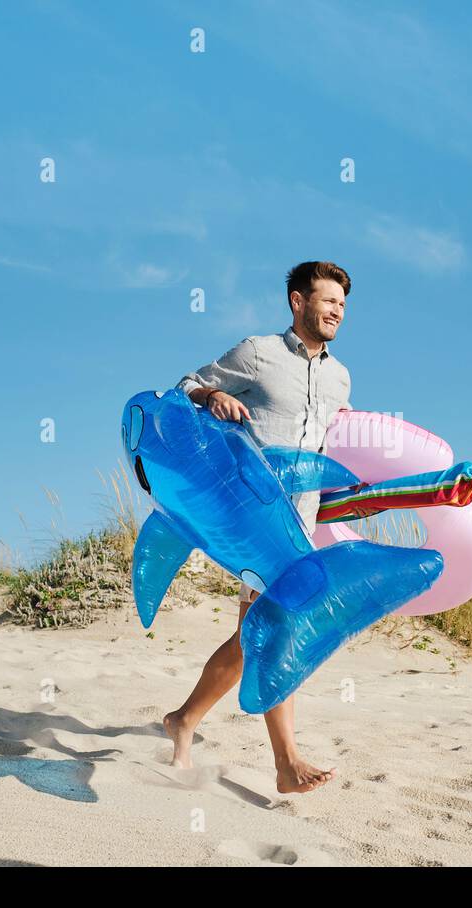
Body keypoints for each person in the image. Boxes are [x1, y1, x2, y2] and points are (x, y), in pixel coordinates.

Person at [162, 261, 353, 794]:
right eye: (327, 300)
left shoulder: (340, 377)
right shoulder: (258, 353)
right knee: (277, 630)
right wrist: (213, 396)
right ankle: (286, 762)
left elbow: (335, 444)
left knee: (253, 638)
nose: (337, 310)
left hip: (304, 523)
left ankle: (183, 720)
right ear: (298, 301)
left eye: (342, 304)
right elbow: (186, 386)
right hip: (255, 519)